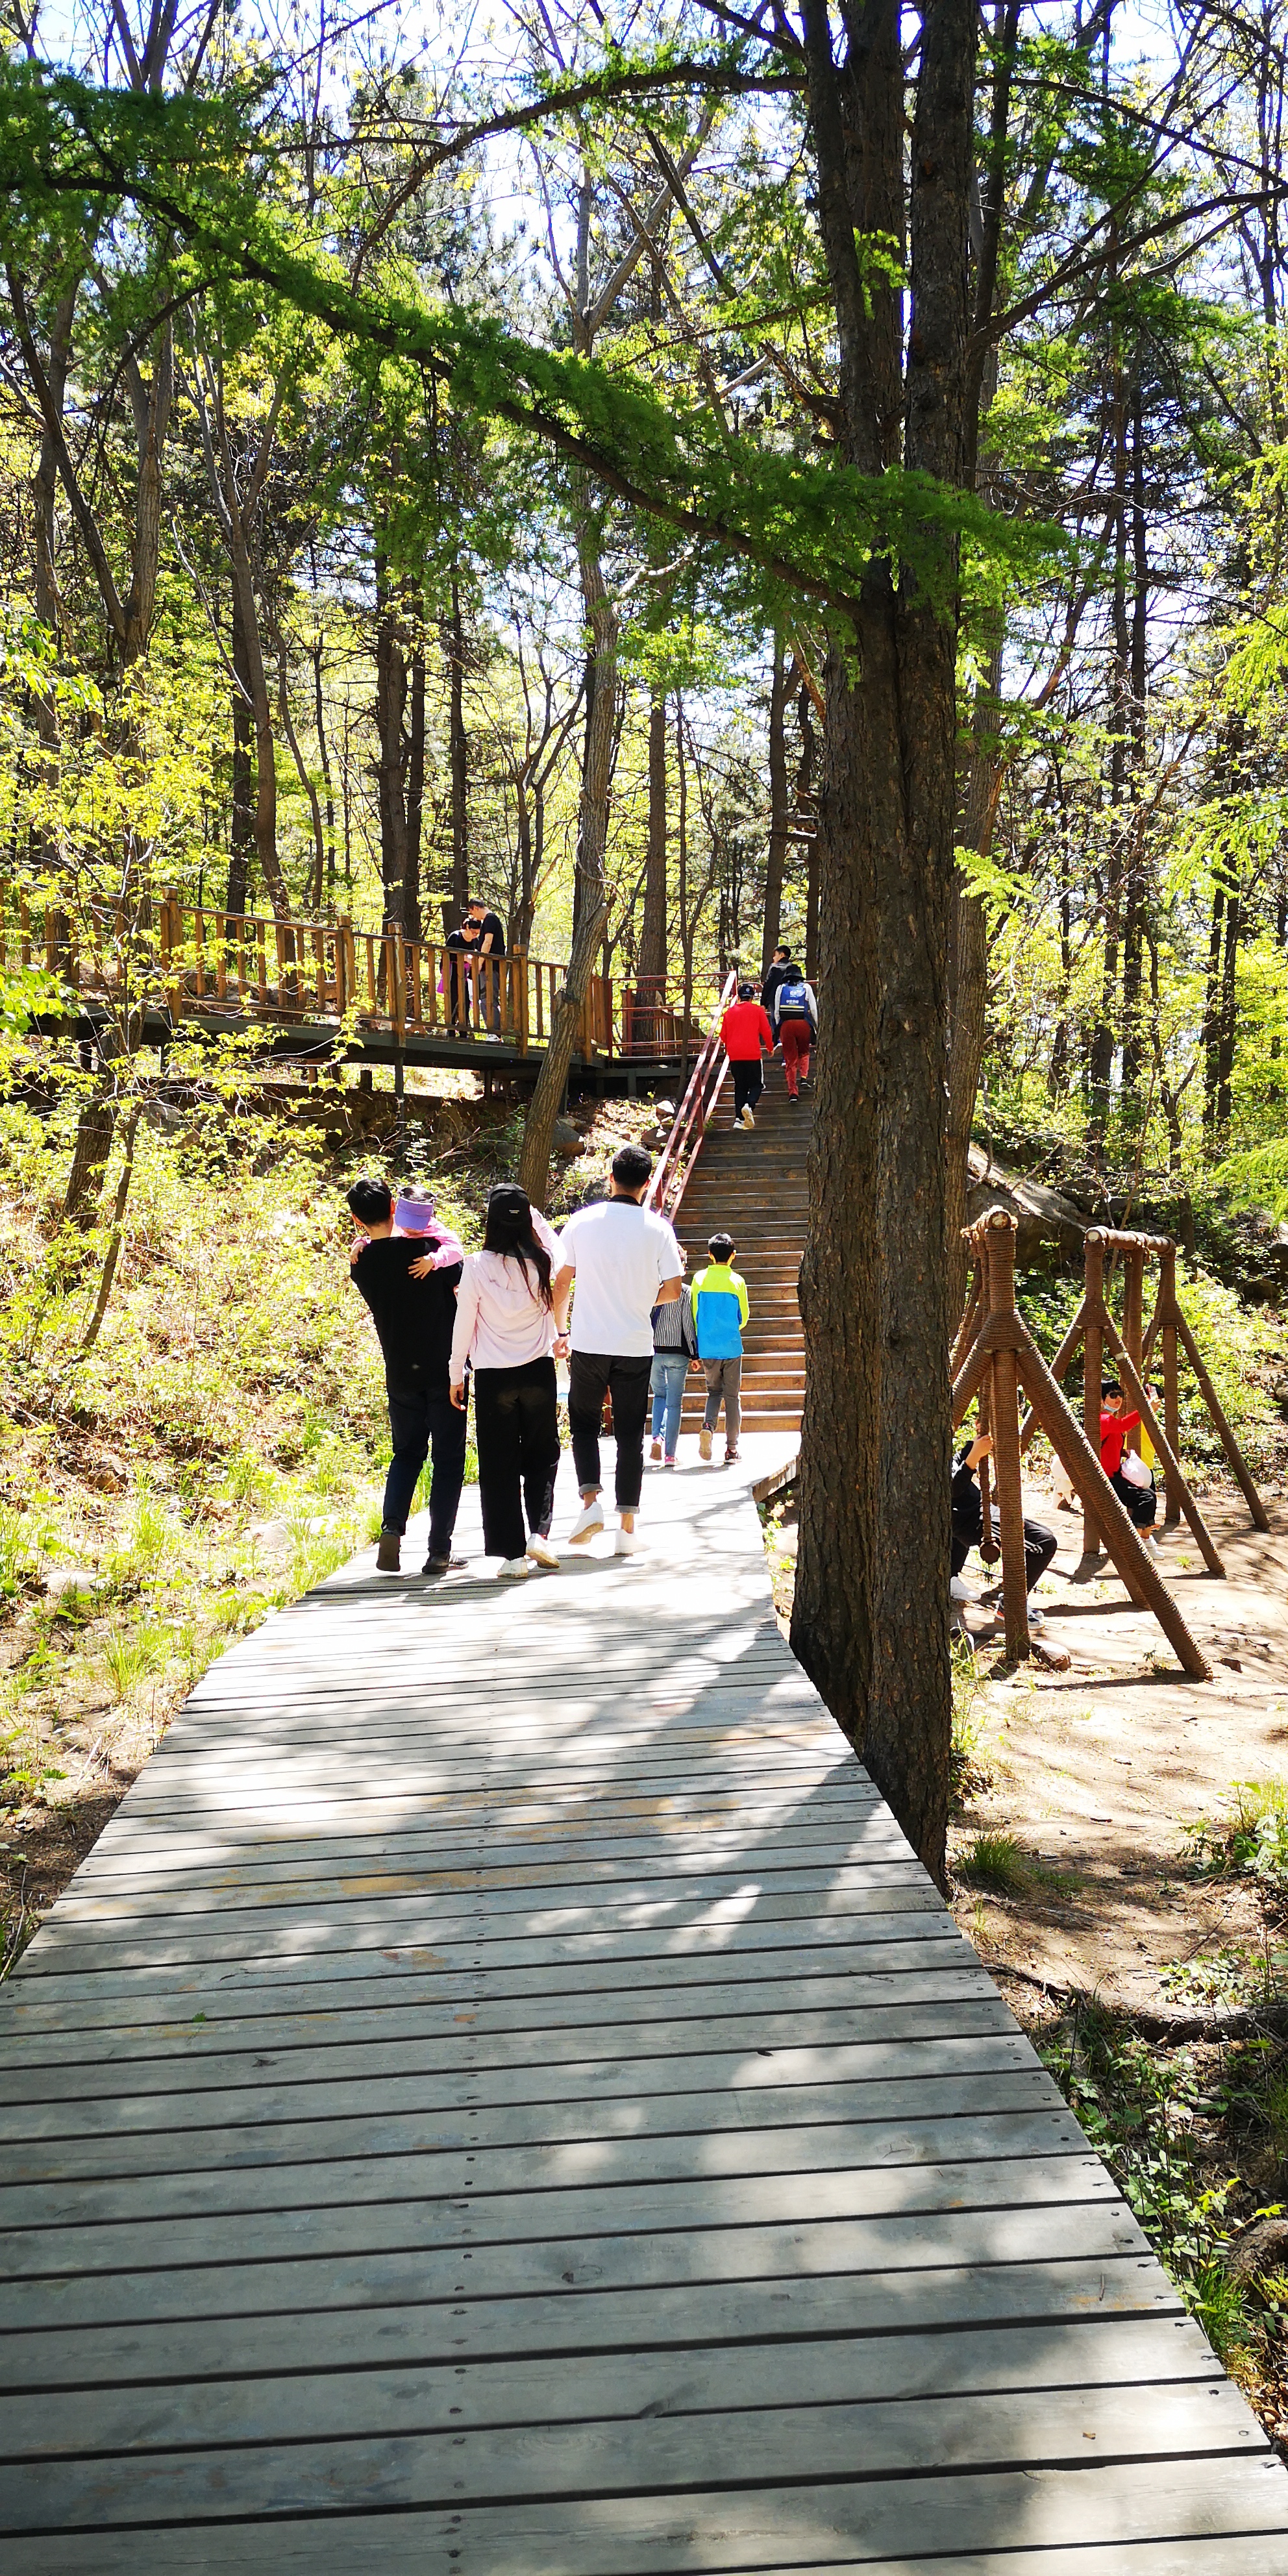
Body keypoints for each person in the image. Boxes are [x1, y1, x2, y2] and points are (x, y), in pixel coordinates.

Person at [552, 1143, 683, 1554]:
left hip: (588, 1343)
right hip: (635, 1345)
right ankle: (627, 1531)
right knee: (629, 1436)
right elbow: (674, 1289)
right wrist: (642, 1301)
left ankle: (590, 1503)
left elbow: (561, 1283)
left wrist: (561, 1330)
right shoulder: (658, 1229)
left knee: (584, 1426)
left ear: (611, 1178)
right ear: (647, 1184)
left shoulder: (581, 1222)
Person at [347, 1176, 467, 1577]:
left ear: (357, 1219)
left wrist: (361, 1246)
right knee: (447, 1458)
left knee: (406, 1453)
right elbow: (463, 1284)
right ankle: (439, 1551)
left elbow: (375, 1256)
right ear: (394, 1208)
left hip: (400, 1372)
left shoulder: (362, 1264)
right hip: (446, 1371)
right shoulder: (433, 1252)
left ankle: (392, 1529)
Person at [449, 1183, 566, 1581]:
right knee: (542, 1454)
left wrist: (456, 1373)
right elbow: (562, 1251)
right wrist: (537, 1220)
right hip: (537, 1370)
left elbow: (464, 1323)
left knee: (498, 1463)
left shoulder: (475, 1266)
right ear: (526, 1221)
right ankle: (539, 1534)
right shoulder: (543, 1262)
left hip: (493, 1376)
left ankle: (513, 1557)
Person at [951, 1430, 1058, 1627]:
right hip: (974, 1520)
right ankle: (1010, 1605)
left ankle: (953, 1580)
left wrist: (976, 1442)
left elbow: (957, 1460)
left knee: (1044, 1537)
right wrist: (974, 1456)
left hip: (982, 1511)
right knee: (1044, 1543)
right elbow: (952, 1488)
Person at [691, 1231, 749, 1465]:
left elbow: (695, 1314)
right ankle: (732, 1449)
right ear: (733, 1255)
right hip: (731, 1347)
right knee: (732, 1397)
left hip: (707, 1347)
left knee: (714, 1392)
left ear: (709, 1254)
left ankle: (708, 1426)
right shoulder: (737, 1281)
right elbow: (744, 1317)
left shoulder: (699, 1279)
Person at [649, 1245, 698, 1466]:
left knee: (659, 1395)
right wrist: (694, 1354)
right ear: (683, 1268)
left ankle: (656, 1437)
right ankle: (670, 1455)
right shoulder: (685, 1292)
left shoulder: (654, 1290)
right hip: (678, 1353)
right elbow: (688, 1324)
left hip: (654, 1352)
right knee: (675, 1403)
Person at [1100, 1380, 1159, 1552]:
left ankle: (1145, 1540)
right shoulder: (1103, 1419)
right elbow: (1123, 1426)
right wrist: (1146, 1409)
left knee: (1150, 1494)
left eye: (1120, 1395)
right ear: (1101, 1400)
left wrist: (1122, 1452)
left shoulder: (1109, 1419)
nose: (1118, 1399)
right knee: (1145, 1499)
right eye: (1113, 1395)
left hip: (1114, 1474)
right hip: (1106, 1478)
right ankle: (1132, 1546)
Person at [721, 980, 776, 1130]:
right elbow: (766, 1031)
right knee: (757, 1085)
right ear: (752, 998)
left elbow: (723, 1035)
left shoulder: (729, 1013)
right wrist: (770, 1047)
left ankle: (739, 1120)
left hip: (735, 1056)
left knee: (740, 1086)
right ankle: (749, 1106)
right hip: (752, 1054)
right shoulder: (757, 1011)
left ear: (739, 998)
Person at [771, 962, 818, 1100]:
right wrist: (817, 1026)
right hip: (803, 1024)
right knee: (804, 1052)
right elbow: (813, 1009)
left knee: (790, 1059)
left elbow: (777, 1011)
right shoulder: (806, 987)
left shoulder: (781, 988)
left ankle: (793, 1092)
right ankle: (804, 1077)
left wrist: (779, 1027)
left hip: (787, 1025)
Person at [465, 893, 507, 1035]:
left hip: (490, 967)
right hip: (490, 966)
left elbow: (488, 942)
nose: (474, 917)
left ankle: (494, 1032)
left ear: (476, 908)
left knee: (488, 998)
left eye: (473, 913)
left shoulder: (490, 920)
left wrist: (479, 963)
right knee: (486, 998)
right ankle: (493, 1032)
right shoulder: (490, 921)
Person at [444, 914, 477, 1034]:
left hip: (466, 974)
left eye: (477, 933)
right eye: (473, 932)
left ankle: (464, 1031)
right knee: (453, 1000)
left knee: (466, 1002)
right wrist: (464, 958)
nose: (475, 935)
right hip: (453, 973)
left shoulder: (475, 941)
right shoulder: (455, 937)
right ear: (467, 927)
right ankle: (451, 1031)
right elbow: (448, 955)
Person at [761, 943, 794, 1018]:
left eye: (775, 955)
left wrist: (763, 1003)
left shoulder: (774, 967)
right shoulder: (794, 968)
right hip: (791, 999)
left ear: (782, 955)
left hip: (775, 1000)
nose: (774, 958)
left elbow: (768, 985)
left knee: (775, 1020)